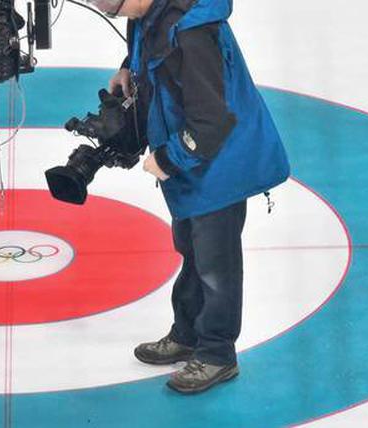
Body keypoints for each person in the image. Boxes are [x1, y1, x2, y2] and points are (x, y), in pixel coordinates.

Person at [89, 0, 290, 394]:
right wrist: (129, 68)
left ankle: (217, 354)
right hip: (194, 164)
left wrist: (168, 159)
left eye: (111, 6)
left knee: (216, 264)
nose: (110, 12)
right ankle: (187, 334)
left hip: (218, 164)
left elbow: (213, 122)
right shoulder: (148, 15)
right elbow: (153, 52)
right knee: (191, 248)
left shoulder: (192, 34)